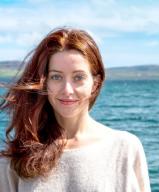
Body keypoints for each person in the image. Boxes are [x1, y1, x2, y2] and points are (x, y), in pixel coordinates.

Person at [0, 27, 151, 192]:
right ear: (45, 82)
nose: (67, 90)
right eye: (56, 77)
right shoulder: (15, 159)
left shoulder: (125, 148)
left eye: (78, 77)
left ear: (96, 84)